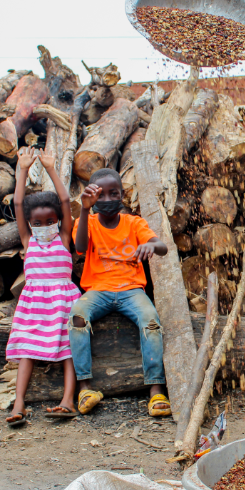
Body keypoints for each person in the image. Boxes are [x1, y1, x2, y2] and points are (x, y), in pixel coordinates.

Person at [69, 168, 171, 417]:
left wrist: (149, 244)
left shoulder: (133, 222)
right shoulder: (88, 222)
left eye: (113, 194)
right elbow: (80, 247)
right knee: (77, 315)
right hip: (98, 290)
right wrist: (84, 209)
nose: (106, 200)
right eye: (99, 195)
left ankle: (156, 390)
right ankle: (85, 389)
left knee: (150, 321)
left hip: (131, 290)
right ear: (92, 197)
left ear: (122, 195)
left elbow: (162, 246)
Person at [6, 148, 81, 426]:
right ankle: (19, 403)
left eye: (50, 221)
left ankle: (68, 399)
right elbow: (17, 204)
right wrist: (22, 171)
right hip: (34, 302)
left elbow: (64, 200)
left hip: (64, 299)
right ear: (29, 224)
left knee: (68, 348)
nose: (44, 226)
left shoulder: (63, 237)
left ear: (58, 221)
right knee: (27, 348)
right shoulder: (29, 240)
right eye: (38, 223)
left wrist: (51, 168)